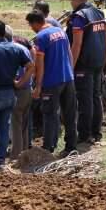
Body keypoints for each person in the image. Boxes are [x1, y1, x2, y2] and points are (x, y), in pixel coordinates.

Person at [0, 20, 34, 169]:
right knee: (4, 127)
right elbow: (30, 66)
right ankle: (1, 161)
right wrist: (20, 83)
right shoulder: (17, 49)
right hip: (10, 93)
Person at [26, 10, 77, 157]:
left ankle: (48, 148)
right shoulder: (61, 32)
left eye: (31, 25)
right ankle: (71, 146)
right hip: (68, 79)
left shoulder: (41, 37)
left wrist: (38, 86)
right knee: (69, 114)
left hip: (51, 82)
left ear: (35, 23)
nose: (31, 28)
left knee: (49, 114)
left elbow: (40, 64)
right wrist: (70, 73)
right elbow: (69, 53)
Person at [66, 0, 106, 144]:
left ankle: (84, 135)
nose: (71, 3)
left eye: (71, 0)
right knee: (96, 97)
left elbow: (76, 45)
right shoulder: (98, 13)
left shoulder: (79, 17)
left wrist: (70, 67)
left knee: (85, 100)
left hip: (84, 64)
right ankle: (96, 133)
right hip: (98, 61)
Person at [6, 28, 34, 159]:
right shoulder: (24, 49)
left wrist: (16, 82)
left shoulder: (11, 50)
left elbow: (14, 73)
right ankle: (25, 153)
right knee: (24, 123)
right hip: (28, 88)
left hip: (19, 91)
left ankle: (16, 155)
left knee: (16, 123)